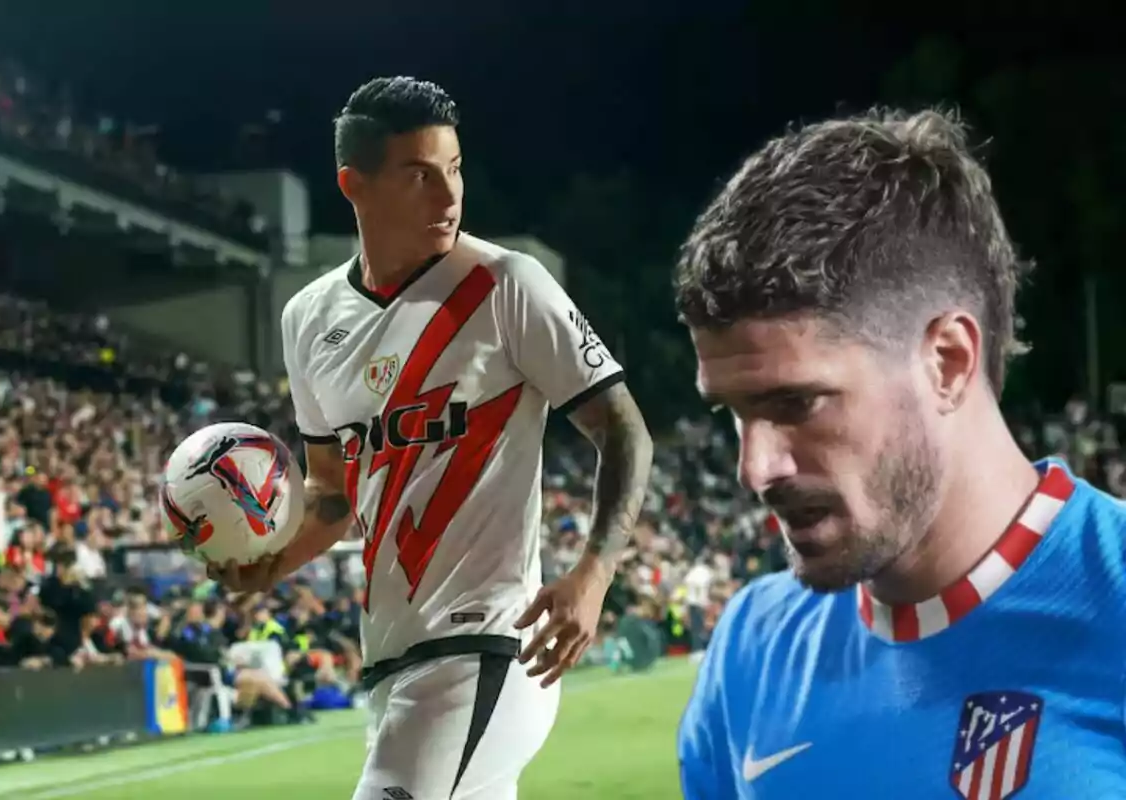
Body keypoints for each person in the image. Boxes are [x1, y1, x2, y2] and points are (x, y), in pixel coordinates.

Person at [209, 76, 653, 799]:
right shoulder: (308, 319)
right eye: (419, 175)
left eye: (454, 170)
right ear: (354, 184)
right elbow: (332, 493)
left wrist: (592, 577)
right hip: (391, 660)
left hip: (487, 647)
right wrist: (272, 561)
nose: (449, 197)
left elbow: (626, 430)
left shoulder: (508, 283)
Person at [673, 108, 1126, 798]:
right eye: (735, 414)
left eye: (797, 404)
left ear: (947, 361)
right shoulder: (750, 651)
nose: (755, 469)